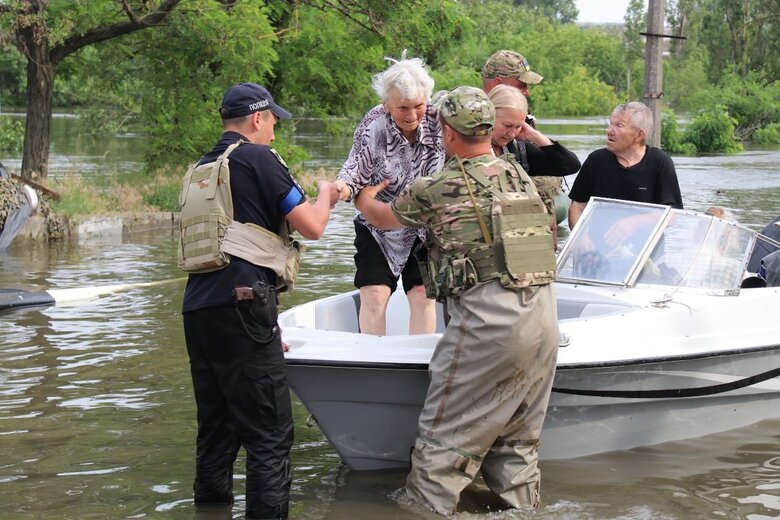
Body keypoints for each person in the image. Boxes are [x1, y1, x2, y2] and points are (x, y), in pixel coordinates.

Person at [356, 86, 559, 515]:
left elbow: (381, 219)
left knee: (441, 445)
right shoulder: (517, 176)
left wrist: (362, 193)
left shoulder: (438, 186)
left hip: (489, 329)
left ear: (447, 132)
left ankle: (421, 510)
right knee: (517, 444)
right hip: (543, 324)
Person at [180, 82, 339, 520]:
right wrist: (327, 194)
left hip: (199, 309)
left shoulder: (203, 166)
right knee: (269, 437)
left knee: (216, 432)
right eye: (272, 121)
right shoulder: (258, 157)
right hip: (246, 306)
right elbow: (311, 226)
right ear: (256, 118)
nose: (274, 131)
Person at [335, 55, 444, 335]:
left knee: (423, 295)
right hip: (378, 224)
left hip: (425, 226)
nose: (411, 115)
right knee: (374, 294)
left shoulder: (440, 119)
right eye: (402, 108)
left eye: (418, 106)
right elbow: (355, 167)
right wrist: (343, 188)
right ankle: (373, 359)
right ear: (386, 104)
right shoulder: (374, 123)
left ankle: (420, 360)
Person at [482, 50, 574, 243]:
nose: (527, 92)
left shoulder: (517, 140)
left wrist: (532, 134)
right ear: (498, 84)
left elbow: (569, 165)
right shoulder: (463, 133)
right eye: (522, 85)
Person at [568, 101, 683, 230]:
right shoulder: (596, 160)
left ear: (639, 135)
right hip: (598, 247)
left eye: (619, 125)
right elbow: (577, 205)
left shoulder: (660, 162)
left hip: (645, 247)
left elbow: (672, 215)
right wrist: (580, 236)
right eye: (610, 124)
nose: (610, 131)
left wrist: (634, 222)